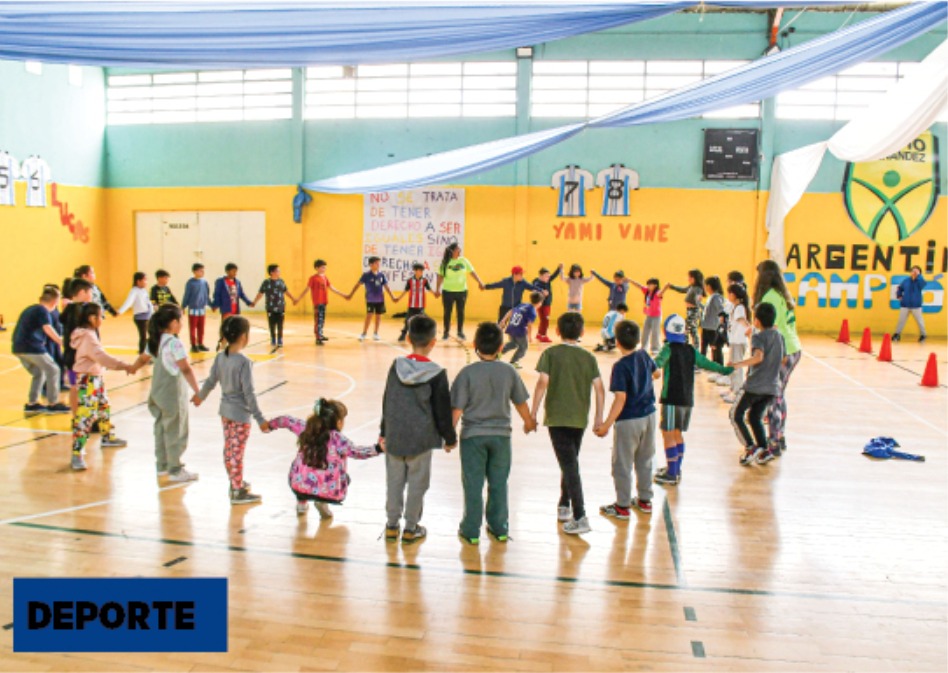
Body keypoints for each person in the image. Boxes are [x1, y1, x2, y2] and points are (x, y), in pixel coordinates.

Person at [451, 322, 534, 545]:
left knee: (473, 484)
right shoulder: (508, 371)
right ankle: (499, 527)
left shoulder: (467, 373)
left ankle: (470, 530)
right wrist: (528, 421)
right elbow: (520, 401)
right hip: (501, 437)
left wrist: (449, 436)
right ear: (500, 347)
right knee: (499, 483)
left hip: (472, 438)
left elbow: (457, 408)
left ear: (475, 345)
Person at [380, 315, 457, 543]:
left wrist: (384, 430)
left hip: (395, 436)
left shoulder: (396, 366)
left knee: (394, 482)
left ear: (408, 338)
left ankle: (391, 525)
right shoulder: (437, 373)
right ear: (433, 342)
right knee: (417, 485)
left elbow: (387, 400)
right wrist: (449, 438)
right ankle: (411, 528)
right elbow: (442, 410)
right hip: (421, 439)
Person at [531, 312, 604, 535]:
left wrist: (532, 413)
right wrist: (598, 417)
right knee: (569, 461)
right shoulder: (589, 357)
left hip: (557, 417)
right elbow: (599, 388)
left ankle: (580, 515)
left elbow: (542, 383)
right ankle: (564, 504)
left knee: (570, 465)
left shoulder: (550, 353)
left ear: (557, 331)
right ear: (582, 332)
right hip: (579, 418)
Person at [193, 315, 271, 504]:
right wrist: (260, 419)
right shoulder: (243, 362)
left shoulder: (221, 357)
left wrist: (200, 396)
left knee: (230, 449)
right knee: (236, 452)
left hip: (225, 414)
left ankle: (235, 482)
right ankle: (237, 490)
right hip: (240, 416)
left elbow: (211, 381)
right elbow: (249, 393)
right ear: (244, 337)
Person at [652, 314, 733, 486]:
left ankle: (672, 473)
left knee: (668, 433)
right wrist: (725, 370)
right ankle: (675, 468)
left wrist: (645, 367)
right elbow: (707, 363)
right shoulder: (691, 350)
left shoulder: (668, 349)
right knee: (677, 433)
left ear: (666, 332)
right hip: (687, 399)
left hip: (671, 399)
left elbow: (656, 364)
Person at [270, 399, 382, 519]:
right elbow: (357, 452)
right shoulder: (338, 439)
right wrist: (378, 448)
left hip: (300, 485)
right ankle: (321, 502)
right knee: (345, 478)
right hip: (328, 491)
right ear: (338, 422)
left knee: (300, 470)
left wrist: (270, 425)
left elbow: (286, 420)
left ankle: (301, 504)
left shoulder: (306, 428)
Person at [595, 320, 657, 517]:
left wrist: (606, 424)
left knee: (622, 463)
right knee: (645, 459)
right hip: (649, 416)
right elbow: (657, 373)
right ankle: (645, 500)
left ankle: (622, 505)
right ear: (638, 339)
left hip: (629, 420)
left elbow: (620, 399)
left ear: (618, 342)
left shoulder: (620, 366)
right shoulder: (644, 355)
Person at [69, 303, 134, 471]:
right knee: (86, 415)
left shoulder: (88, 334)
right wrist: (123, 365)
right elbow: (101, 357)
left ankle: (107, 436)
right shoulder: (88, 337)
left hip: (95, 377)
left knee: (104, 406)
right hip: (87, 380)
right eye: (100, 316)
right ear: (92, 318)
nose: (102, 319)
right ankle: (77, 453)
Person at [144, 304, 201, 483]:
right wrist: (198, 391)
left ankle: (162, 465)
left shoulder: (155, 340)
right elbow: (185, 368)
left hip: (157, 392)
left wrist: (131, 367)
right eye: (181, 320)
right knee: (176, 429)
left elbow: (142, 358)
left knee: (160, 427)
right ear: (174, 323)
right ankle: (175, 469)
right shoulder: (174, 343)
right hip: (172, 394)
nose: (182, 324)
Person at [753, 260, 803, 457]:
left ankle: (773, 442)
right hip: (793, 348)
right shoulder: (782, 294)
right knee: (779, 395)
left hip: (784, 350)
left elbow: (773, 329)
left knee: (774, 396)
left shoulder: (770, 297)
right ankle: (779, 437)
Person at [728, 303, 785, 466]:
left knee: (735, 414)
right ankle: (764, 449)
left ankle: (750, 447)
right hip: (772, 388)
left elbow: (758, 357)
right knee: (754, 417)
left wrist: (737, 364)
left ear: (757, 321)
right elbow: (784, 358)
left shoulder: (758, 337)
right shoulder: (779, 336)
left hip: (755, 386)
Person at [13, 286, 68, 415]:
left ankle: (32, 403)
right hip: (32, 347)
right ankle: (53, 403)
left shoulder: (30, 309)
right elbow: (48, 328)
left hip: (19, 348)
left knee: (39, 372)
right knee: (53, 369)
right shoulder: (42, 311)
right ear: (55, 301)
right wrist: (62, 342)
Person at [435, 243, 485, 341]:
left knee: (460, 312)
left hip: (462, 291)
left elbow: (472, 272)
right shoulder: (445, 263)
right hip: (448, 291)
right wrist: (437, 289)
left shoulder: (464, 261)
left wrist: (480, 282)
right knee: (447, 312)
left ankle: (460, 332)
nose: (459, 250)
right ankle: (446, 332)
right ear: (453, 251)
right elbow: (440, 276)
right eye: (457, 248)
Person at [61, 278, 94, 414]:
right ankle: (85, 417)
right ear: (82, 292)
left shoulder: (68, 309)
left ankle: (77, 417)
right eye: (90, 292)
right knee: (84, 386)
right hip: (80, 358)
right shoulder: (81, 311)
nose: (91, 295)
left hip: (70, 356)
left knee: (74, 385)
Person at [294, 259, 346, 345]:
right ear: (317, 268)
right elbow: (307, 289)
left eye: (325, 267)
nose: (324, 269)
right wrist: (298, 298)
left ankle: (320, 334)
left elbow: (332, 288)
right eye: (322, 267)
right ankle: (318, 338)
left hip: (324, 301)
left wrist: (343, 294)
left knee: (322, 319)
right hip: (317, 302)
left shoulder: (325, 278)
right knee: (318, 319)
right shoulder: (313, 278)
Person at [347, 256, 398, 342]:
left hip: (380, 299)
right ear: (371, 264)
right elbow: (357, 285)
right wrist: (350, 294)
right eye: (376, 263)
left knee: (378, 316)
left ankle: (376, 333)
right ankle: (364, 333)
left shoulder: (381, 275)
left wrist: (392, 297)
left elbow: (386, 287)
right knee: (369, 315)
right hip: (370, 299)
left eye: (379, 263)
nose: (378, 265)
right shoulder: (366, 275)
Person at [721, 284, 751, 404]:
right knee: (732, 364)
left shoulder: (739, 308)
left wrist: (749, 329)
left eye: (729, 293)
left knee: (736, 366)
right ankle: (733, 388)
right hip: (734, 341)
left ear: (733, 295)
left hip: (738, 341)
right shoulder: (735, 307)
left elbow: (742, 320)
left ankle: (737, 392)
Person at [499, 291, 543, 369]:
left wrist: (503, 320)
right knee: (523, 347)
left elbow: (511, 311)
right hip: (519, 331)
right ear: (540, 302)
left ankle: (499, 353)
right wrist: (530, 337)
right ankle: (513, 361)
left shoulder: (523, 304)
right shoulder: (532, 311)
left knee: (513, 343)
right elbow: (529, 325)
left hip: (511, 327)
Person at [254, 264, 292, 349]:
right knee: (272, 324)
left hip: (280, 306)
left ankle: (280, 339)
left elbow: (286, 291)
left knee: (280, 324)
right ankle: (273, 338)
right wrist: (255, 302)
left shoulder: (281, 281)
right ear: (272, 272)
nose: (279, 272)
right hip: (270, 307)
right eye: (277, 270)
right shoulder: (266, 282)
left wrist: (293, 299)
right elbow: (260, 293)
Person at [629, 278, 670, 355]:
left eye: (650, 284)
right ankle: (644, 347)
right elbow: (639, 286)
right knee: (645, 331)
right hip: (649, 315)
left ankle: (655, 348)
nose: (648, 286)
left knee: (655, 332)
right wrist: (631, 281)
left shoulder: (657, 293)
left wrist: (666, 287)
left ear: (655, 285)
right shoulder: (647, 291)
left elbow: (662, 292)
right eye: (648, 285)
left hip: (656, 316)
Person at [397, 262, 435, 342]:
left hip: (421, 305)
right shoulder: (410, 281)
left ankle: (424, 336)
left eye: (422, 271)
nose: (421, 273)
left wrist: (435, 294)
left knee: (422, 321)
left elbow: (429, 289)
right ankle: (403, 334)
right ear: (415, 271)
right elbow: (405, 291)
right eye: (419, 271)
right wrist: (398, 298)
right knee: (408, 320)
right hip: (412, 305)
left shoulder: (424, 281)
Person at [116, 271, 153, 355]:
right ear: (138, 281)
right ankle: (142, 353)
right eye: (144, 280)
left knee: (149, 335)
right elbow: (128, 302)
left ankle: (147, 352)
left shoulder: (143, 290)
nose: (146, 282)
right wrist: (120, 311)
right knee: (143, 336)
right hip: (140, 318)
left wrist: (153, 311)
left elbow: (148, 303)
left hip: (147, 317)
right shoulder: (134, 291)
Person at [668, 269, 705, 348]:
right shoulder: (691, 287)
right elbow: (682, 289)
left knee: (689, 329)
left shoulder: (698, 289)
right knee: (691, 329)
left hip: (693, 311)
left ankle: (692, 346)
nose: (688, 279)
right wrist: (672, 287)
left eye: (690, 278)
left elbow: (697, 300)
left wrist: (702, 307)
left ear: (695, 278)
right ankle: (691, 346)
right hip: (689, 311)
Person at [181, 263, 211, 353]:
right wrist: (183, 306)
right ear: (195, 271)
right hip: (193, 308)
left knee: (201, 327)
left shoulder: (204, 282)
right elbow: (187, 295)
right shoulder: (190, 283)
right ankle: (193, 345)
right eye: (200, 271)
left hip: (202, 308)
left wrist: (211, 304)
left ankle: (200, 343)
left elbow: (207, 295)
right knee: (193, 328)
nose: (202, 272)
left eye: (203, 270)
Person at [892, 265, 927, 343]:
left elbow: (923, 284)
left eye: (916, 271)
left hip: (916, 305)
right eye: (913, 270)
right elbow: (900, 288)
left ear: (919, 273)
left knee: (919, 321)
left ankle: (923, 335)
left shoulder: (920, 281)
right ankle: (897, 334)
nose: (914, 272)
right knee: (901, 320)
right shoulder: (906, 280)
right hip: (905, 304)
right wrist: (899, 295)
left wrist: (918, 277)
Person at [532, 263, 563, 343]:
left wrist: (559, 269)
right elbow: (534, 288)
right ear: (541, 276)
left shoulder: (548, 281)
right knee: (545, 320)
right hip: (542, 304)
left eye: (548, 276)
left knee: (543, 320)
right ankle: (544, 335)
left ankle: (539, 334)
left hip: (547, 304)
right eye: (546, 276)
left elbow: (554, 276)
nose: (548, 278)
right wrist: (542, 292)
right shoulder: (537, 283)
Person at [701, 275, 726, 369]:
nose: (705, 287)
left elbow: (720, 310)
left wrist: (721, 321)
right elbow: (708, 310)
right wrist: (699, 304)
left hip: (712, 327)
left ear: (710, 286)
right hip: (707, 326)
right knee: (704, 347)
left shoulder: (716, 298)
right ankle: (703, 364)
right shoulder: (711, 297)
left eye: (706, 285)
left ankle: (718, 366)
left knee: (715, 347)